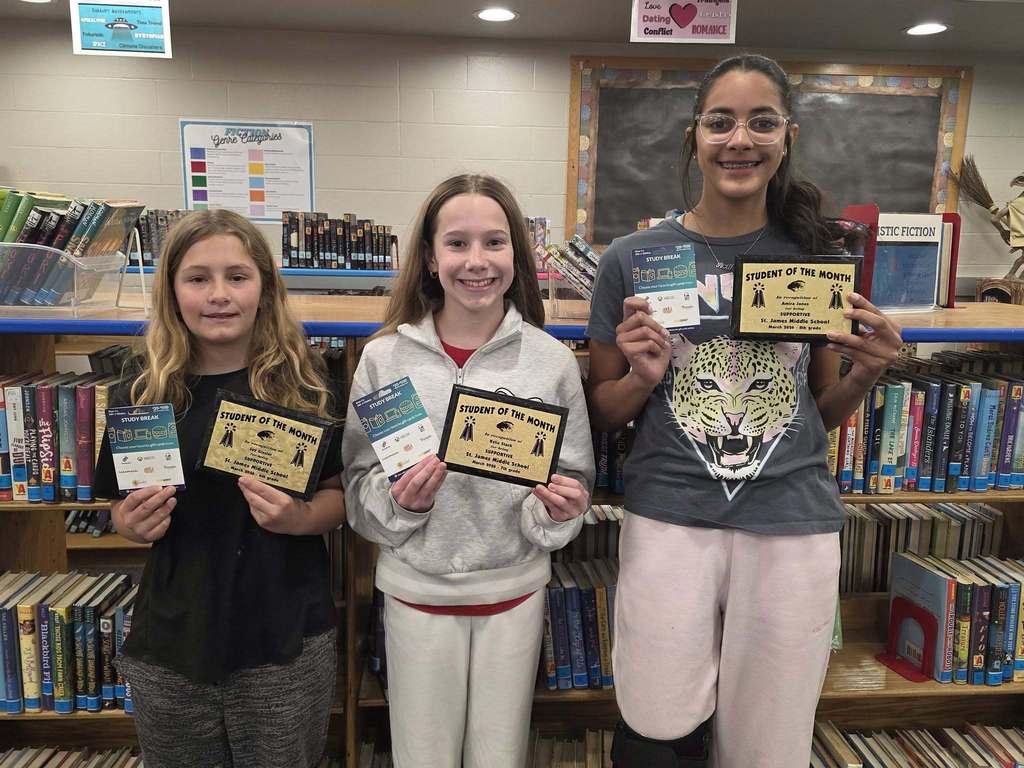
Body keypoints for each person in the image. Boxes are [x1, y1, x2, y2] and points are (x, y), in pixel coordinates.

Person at [585, 54, 902, 767]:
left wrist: (867, 374)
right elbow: (604, 410)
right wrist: (642, 376)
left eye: (761, 123)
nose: (740, 140)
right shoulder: (633, 258)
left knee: (767, 744)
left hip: (790, 525)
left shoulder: (814, 255)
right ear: (694, 135)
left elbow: (814, 414)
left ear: (787, 136)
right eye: (721, 121)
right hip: (670, 519)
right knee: (656, 726)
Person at [343, 174, 596, 768]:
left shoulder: (551, 361)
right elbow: (357, 489)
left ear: (517, 254)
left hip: (514, 592)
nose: (476, 261)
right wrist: (403, 504)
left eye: (494, 242)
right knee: (421, 756)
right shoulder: (385, 358)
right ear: (430, 258)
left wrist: (556, 511)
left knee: (499, 756)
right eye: (457, 243)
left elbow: (574, 479)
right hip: (416, 592)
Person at [93, 209, 346, 768]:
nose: (218, 294)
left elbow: (339, 496)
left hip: (284, 639)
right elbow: (118, 508)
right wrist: (129, 523)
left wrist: (301, 519)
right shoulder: (143, 392)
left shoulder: (307, 385)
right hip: (173, 643)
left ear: (264, 288)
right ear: (172, 292)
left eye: (237, 276)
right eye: (197, 278)